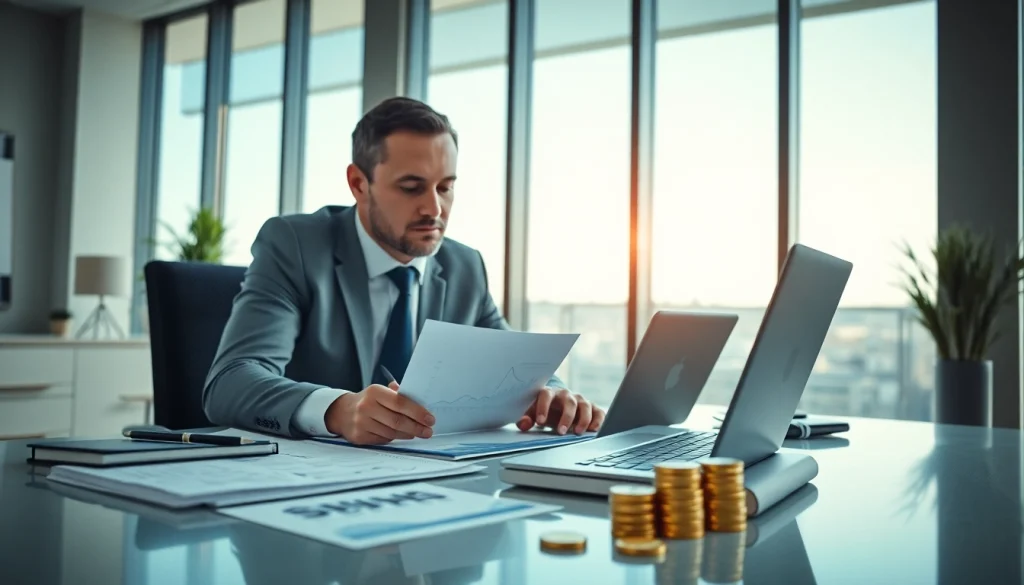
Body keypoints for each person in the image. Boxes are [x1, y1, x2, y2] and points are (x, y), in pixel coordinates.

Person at [203, 96, 606, 444]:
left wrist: (552, 394)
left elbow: (516, 365)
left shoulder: (464, 266)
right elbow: (231, 382)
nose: (434, 209)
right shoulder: (295, 245)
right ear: (359, 184)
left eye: (445, 187)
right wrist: (337, 410)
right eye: (412, 188)